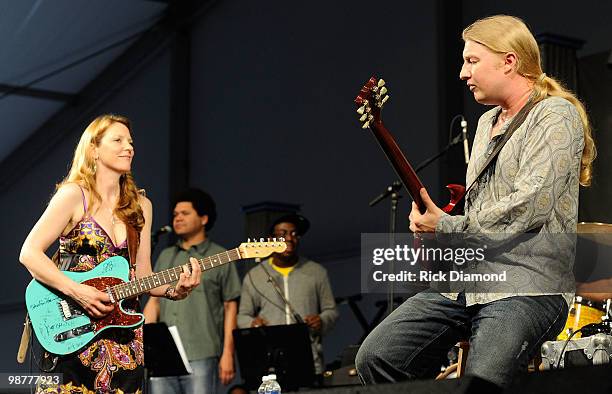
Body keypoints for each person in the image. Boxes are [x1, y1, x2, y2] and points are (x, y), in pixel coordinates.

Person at [355, 15, 596, 389]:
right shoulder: (486, 124)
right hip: (470, 281)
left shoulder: (555, 114)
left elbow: (529, 209)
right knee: (377, 356)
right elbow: (481, 212)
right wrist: (436, 225)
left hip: (529, 287)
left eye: (472, 61)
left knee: (482, 380)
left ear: (509, 61)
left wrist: (447, 226)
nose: (462, 74)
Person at [19, 114, 201, 393]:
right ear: (94, 149)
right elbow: (30, 253)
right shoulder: (73, 195)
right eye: (117, 140)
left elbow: (143, 273)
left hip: (124, 333)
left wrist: (176, 291)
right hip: (73, 328)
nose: (129, 147)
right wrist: (78, 291)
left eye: (130, 142)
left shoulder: (142, 206)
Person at [143, 188, 241, 394]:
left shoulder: (221, 256)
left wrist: (228, 354)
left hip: (202, 352)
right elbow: (154, 302)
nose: (177, 218)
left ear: (204, 218)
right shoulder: (166, 255)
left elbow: (231, 307)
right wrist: (142, 341)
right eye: (175, 214)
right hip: (163, 354)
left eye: (185, 213)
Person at [237, 213, 339, 378]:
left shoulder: (316, 272)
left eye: (294, 234)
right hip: (269, 360)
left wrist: (321, 320)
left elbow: (331, 311)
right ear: (270, 240)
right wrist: (252, 323)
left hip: (308, 358)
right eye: (283, 234)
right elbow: (242, 316)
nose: (290, 238)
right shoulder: (254, 275)